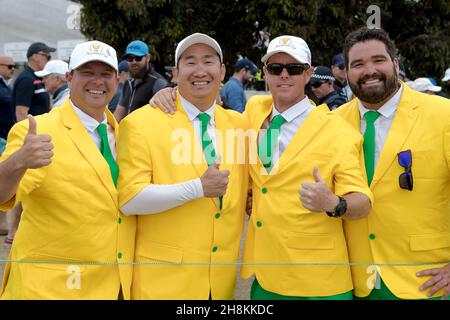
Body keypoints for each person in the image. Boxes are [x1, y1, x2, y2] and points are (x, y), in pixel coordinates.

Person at [148, 35, 374, 300]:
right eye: (276, 68)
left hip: (320, 282)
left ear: (309, 74)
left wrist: (334, 203)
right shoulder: (254, 112)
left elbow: (363, 201)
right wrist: (170, 92)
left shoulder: (338, 131)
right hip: (267, 276)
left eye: (295, 68)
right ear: (265, 72)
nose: (285, 75)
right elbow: (203, 99)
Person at [116, 33, 249, 299]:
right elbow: (129, 199)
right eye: (190, 62)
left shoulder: (240, 124)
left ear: (222, 71)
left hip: (220, 283)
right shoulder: (140, 123)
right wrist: (197, 188)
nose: (200, 71)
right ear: (176, 73)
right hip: (163, 284)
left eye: (208, 61)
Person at [0, 40, 134, 299]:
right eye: (87, 73)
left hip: (109, 282)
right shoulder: (37, 130)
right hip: (50, 288)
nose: (97, 81)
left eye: (105, 74)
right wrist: (19, 161)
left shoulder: (124, 132)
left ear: (117, 80)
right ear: (69, 77)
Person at [335, 27, 450, 300]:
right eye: (358, 64)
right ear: (347, 72)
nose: (369, 70)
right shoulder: (332, 122)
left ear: (395, 64)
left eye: (378, 60)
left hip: (426, 281)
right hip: (355, 280)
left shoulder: (443, 115)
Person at [113, 40, 169, 122]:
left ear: (148, 58)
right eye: (130, 58)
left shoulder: (158, 83)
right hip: (128, 132)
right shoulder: (128, 83)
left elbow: (167, 116)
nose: (134, 62)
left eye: (138, 58)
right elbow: (118, 114)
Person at [0, 55, 16, 237]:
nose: (13, 69)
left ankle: (3, 221)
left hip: (5, 137)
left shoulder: (6, 85)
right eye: (9, 66)